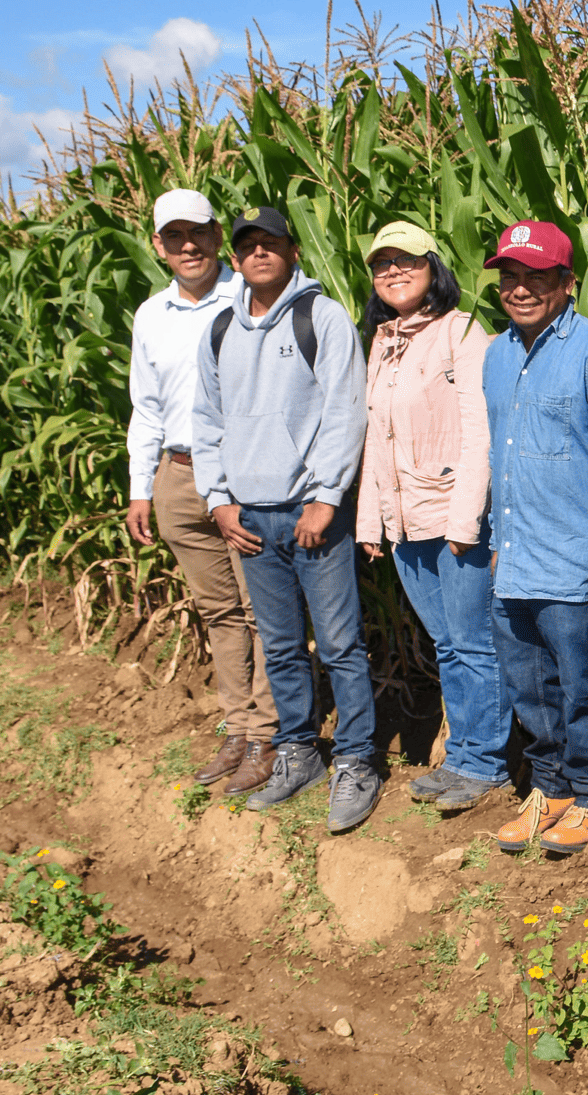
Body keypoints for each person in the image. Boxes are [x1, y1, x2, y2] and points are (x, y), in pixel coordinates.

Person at [192, 206, 381, 834]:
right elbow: (207, 422)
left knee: (339, 644)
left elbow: (344, 409)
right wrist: (217, 501)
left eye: (270, 243)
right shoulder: (219, 329)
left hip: (310, 514)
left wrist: (327, 497)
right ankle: (298, 752)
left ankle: (356, 759)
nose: (258, 253)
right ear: (236, 258)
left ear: (293, 251)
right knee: (279, 647)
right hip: (249, 519)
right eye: (247, 246)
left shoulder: (319, 317)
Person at [478, 221, 588, 856]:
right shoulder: (494, 353)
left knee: (582, 689)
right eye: (510, 278)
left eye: (536, 278)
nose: (520, 289)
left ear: (568, 283)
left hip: (573, 562)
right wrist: (494, 538)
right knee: (528, 690)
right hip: (514, 559)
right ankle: (551, 789)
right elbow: (499, 456)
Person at [123, 189, 277, 795]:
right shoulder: (150, 316)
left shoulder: (253, 296)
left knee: (263, 610)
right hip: (178, 475)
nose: (188, 246)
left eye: (200, 233)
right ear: (158, 245)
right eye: (174, 236)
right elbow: (146, 406)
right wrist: (142, 487)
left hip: (244, 473)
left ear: (218, 236)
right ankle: (238, 727)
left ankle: (269, 733)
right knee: (219, 610)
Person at [353, 220, 505, 814]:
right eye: (382, 262)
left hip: (452, 519)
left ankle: (484, 762)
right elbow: (377, 440)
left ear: (433, 268)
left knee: (474, 643)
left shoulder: (461, 333)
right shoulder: (385, 341)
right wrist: (372, 523)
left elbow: (480, 433)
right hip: (404, 523)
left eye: (407, 260)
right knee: (447, 643)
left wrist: (466, 522)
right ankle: (465, 751)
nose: (393, 270)